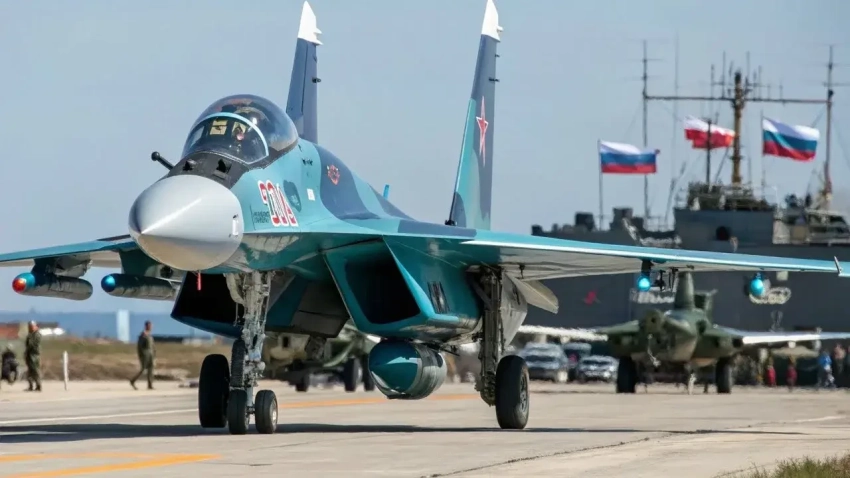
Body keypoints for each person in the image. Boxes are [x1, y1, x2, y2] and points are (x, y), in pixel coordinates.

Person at [130, 321, 155, 390]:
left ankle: (150, 385)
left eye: (151, 326)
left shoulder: (149, 335)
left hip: (151, 353)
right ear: (146, 326)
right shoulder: (143, 335)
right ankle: (133, 381)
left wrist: (154, 353)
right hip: (145, 354)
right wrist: (141, 355)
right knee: (143, 369)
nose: (151, 327)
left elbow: (152, 345)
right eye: (149, 326)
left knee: (151, 369)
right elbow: (140, 346)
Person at [25, 321, 42, 392]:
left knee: (35, 370)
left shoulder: (37, 335)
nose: (30, 328)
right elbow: (27, 345)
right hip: (29, 354)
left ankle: (38, 385)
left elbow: (32, 344)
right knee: (29, 371)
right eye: (29, 326)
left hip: (34, 355)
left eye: (32, 326)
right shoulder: (30, 335)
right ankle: (30, 386)